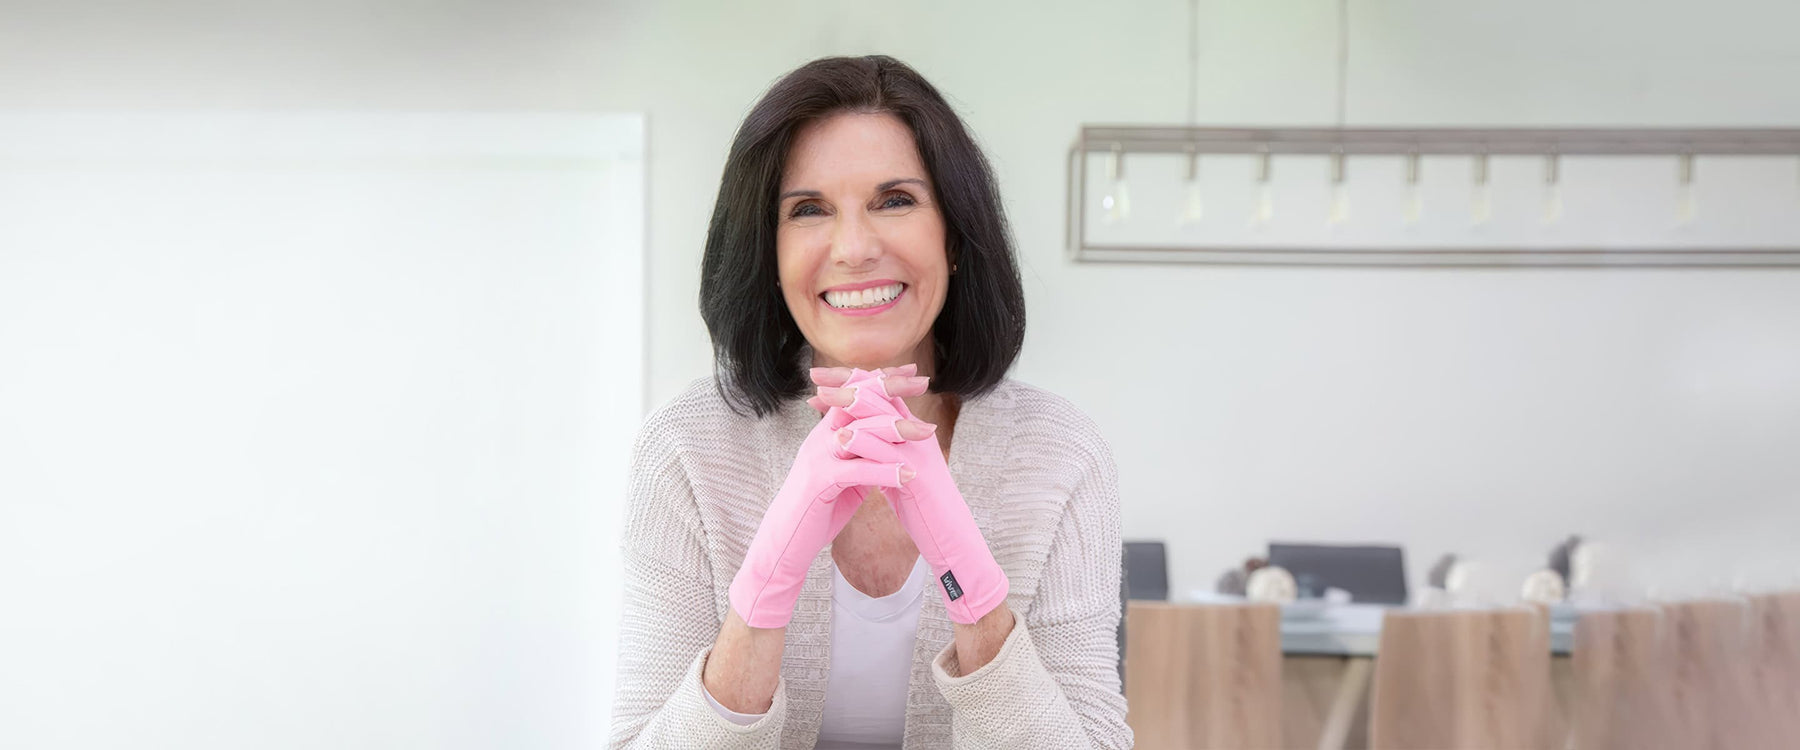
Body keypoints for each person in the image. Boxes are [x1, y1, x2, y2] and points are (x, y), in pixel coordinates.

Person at [609, 55, 1131, 749]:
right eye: (808, 209)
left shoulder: (1061, 454)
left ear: (954, 237)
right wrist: (764, 588)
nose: (854, 248)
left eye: (895, 200)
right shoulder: (685, 448)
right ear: (768, 251)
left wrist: (975, 595)